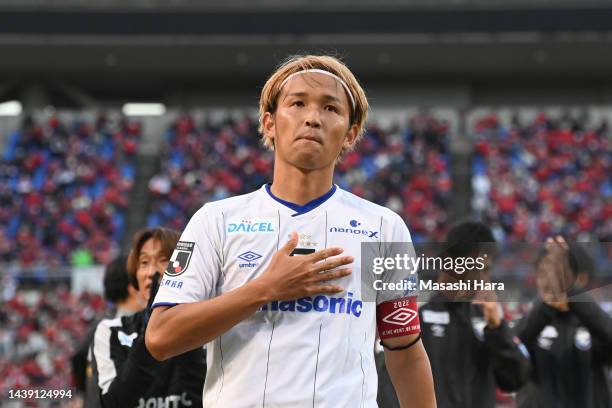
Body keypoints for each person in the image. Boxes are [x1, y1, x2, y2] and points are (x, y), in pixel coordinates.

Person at [146, 55, 436, 407]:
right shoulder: (216, 221)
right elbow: (161, 338)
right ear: (269, 124)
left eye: (330, 108)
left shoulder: (383, 228)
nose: (312, 117)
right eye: (297, 103)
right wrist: (266, 288)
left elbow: (404, 349)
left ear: (351, 133)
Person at [378, 221, 531, 408]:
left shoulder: (488, 317)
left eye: (487, 270)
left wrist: (497, 329)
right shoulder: (415, 310)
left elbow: (515, 380)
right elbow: (388, 384)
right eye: (475, 267)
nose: (482, 279)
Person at [90, 227, 205, 408]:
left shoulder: (209, 327)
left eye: (164, 260)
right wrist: (152, 328)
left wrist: (182, 323)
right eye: (144, 262)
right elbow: (114, 403)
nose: (151, 272)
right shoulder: (110, 331)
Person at [517, 236, 612, 408]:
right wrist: (544, 309)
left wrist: (573, 294)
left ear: (580, 279)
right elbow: (509, 357)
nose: (549, 282)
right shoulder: (529, 323)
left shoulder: (596, 323)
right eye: (543, 273)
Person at [71, 255, 140, 408]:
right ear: (132, 286)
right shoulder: (117, 326)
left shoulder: (101, 322)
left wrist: (82, 393)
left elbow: (78, 356)